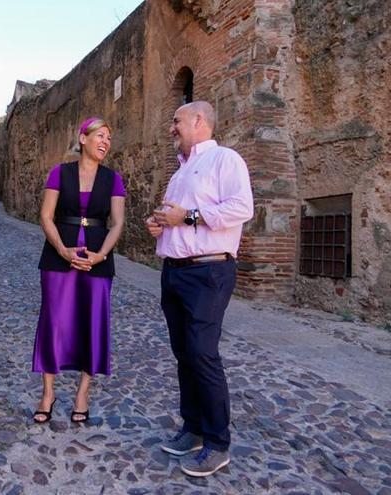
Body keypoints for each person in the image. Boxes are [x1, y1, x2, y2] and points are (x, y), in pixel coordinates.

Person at [146, 100, 253, 477]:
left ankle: (217, 443)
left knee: (203, 353)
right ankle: (192, 429)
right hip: (174, 272)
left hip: (209, 273)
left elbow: (242, 207)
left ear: (198, 121)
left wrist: (187, 216)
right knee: (184, 353)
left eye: (176, 121)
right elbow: (176, 217)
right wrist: (160, 224)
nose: (171, 127)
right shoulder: (180, 173)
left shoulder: (226, 159)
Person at [31, 117, 126, 424]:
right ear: (82, 138)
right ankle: (48, 393)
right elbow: (46, 216)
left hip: (98, 259)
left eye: (109, 138)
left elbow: (118, 223)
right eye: (100, 135)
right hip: (59, 256)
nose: (106, 142)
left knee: (92, 323)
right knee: (53, 323)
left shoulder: (113, 179)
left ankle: (82, 393)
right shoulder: (60, 173)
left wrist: (100, 256)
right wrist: (62, 250)